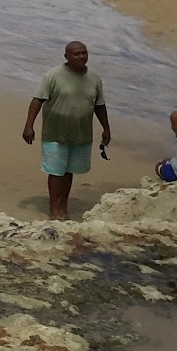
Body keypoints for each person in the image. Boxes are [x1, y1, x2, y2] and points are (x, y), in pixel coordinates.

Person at [22, 41, 110, 220]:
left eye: (84, 53)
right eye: (76, 54)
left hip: (81, 133)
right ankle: (54, 208)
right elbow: (37, 100)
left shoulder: (94, 78)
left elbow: (99, 106)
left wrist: (106, 128)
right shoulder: (53, 75)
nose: (81, 56)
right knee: (55, 171)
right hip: (56, 131)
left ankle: (64, 205)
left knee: (69, 170)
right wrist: (28, 126)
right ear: (66, 57)